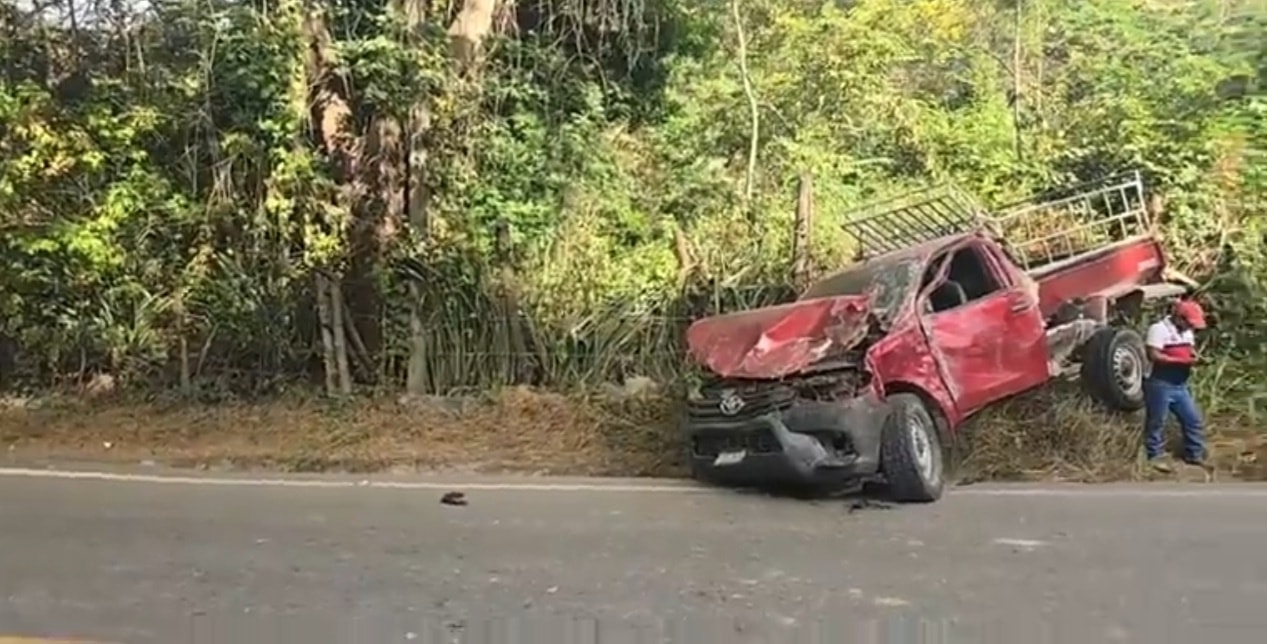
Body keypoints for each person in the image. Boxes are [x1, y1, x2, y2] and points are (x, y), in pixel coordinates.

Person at [1143, 298, 1207, 472]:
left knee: (1193, 420)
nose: (1190, 327)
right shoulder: (1158, 329)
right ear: (1178, 318)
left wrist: (1195, 358)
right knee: (1157, 421)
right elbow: (1154, 355)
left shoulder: (1187, 332)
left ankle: (1194, 454)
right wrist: (1180, 361)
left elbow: (1189, 350)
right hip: (1160, 383)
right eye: (1188, 323)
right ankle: (1154, 456)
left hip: (1180, 384)